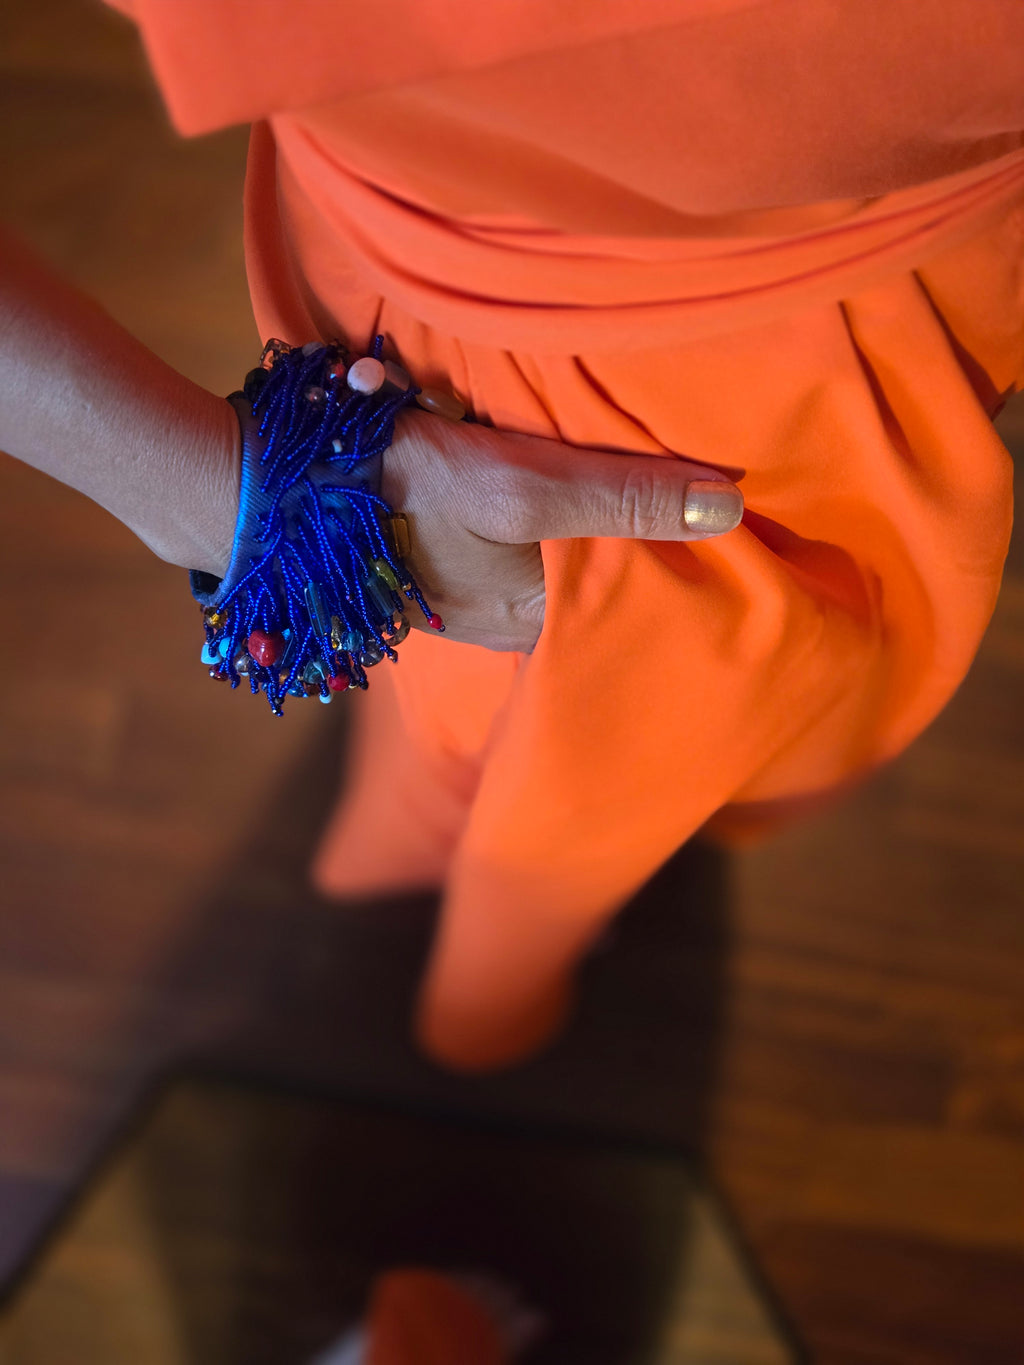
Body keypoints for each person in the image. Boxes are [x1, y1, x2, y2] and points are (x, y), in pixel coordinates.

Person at [3, 1, 1023, 1085]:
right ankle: (481, 1018)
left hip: (933, 299)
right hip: (523, 409)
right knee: (556, 801)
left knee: (601, 767)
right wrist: (240, 503)